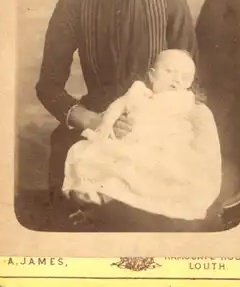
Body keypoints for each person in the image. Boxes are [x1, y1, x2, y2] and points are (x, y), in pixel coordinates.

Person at [36, 0, 198, 229]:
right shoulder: (74, 3)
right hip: (92, 126)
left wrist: (155, 122)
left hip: (161, 134)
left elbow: (192, 84)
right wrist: (93, 121)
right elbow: (48, 87)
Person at [62, 49, 221, 221]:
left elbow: (203, 132)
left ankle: (133, 205)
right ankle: (95, 198)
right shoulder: (139, 92)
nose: (177, 79)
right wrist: (105, 125)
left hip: (166, 150)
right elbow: (116, 107)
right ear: (152, 75)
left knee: (163, 178)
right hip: (133, 144)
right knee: (103, 161)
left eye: (185, 76)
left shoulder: (187, 101)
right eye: (169, 71)